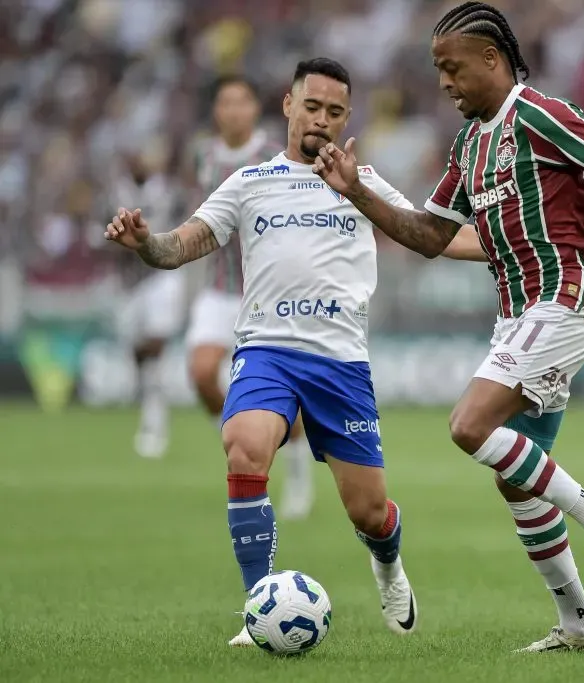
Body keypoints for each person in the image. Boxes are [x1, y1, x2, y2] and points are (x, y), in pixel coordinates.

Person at [313, 1, 584, 653]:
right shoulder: (471, 145)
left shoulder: (540, 114)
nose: (444, 82)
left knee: (469, 425)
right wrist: (359, 193)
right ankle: (580, 626)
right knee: (515, 474)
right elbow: (430, 236)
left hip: (569, 296)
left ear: (491, 59)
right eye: (437, 71)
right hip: (520, 315)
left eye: (452, 68)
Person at [104, 57, 478, 646]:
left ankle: (389, 568)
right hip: (267, 352)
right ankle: (259, 607)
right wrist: (145, 242)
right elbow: (180, 246)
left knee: (370, 514)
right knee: (245, 449)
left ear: (347, 118)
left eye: (335, 112)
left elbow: (432, 234)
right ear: (287, 105)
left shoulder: (363, 180)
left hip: (340, 364)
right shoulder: (250, 183)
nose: (322, 120)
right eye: (312, 106)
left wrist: (512, 246)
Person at [183, 75, 314, 520]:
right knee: (202, 373)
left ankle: (296, 468)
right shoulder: (202, 154)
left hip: (267, 291)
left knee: (281, 390)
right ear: (217, 110)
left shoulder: (274, 157)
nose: (234, 110)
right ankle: (242, 434)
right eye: (226, 102)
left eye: (243, 101)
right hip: (220, 288)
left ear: (256, 109)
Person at [107, 149, 187, 460]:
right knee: (137, 348)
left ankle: (155, 421)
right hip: (129, 281)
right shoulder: (115, 191)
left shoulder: (167, 190)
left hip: (161, 275)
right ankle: (148, 400)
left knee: (156, 345)